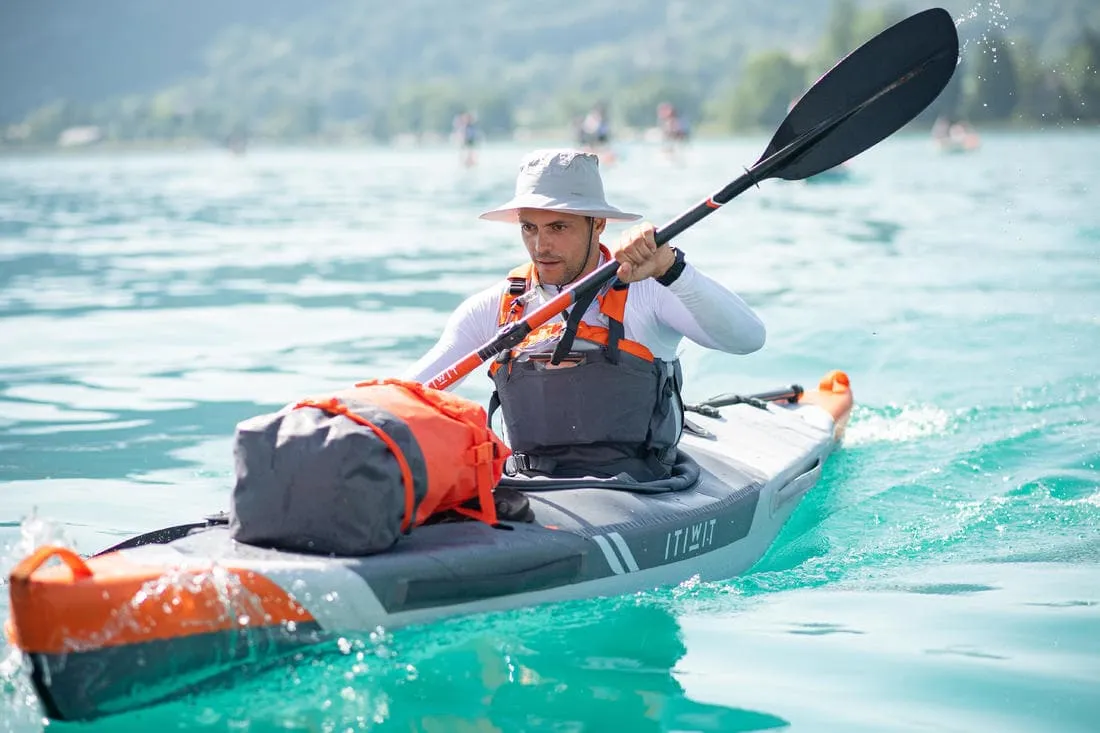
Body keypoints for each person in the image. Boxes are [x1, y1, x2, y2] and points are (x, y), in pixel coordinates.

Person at [402, 149, 765, 482]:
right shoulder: (495, 307)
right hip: (537, 492)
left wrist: (672, 269)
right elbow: (410, 394)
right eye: (530, 228)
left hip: (643, 489)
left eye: (558, 227)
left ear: (599, 225)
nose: (540, 246)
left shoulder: (648, 290)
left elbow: (749, 339)